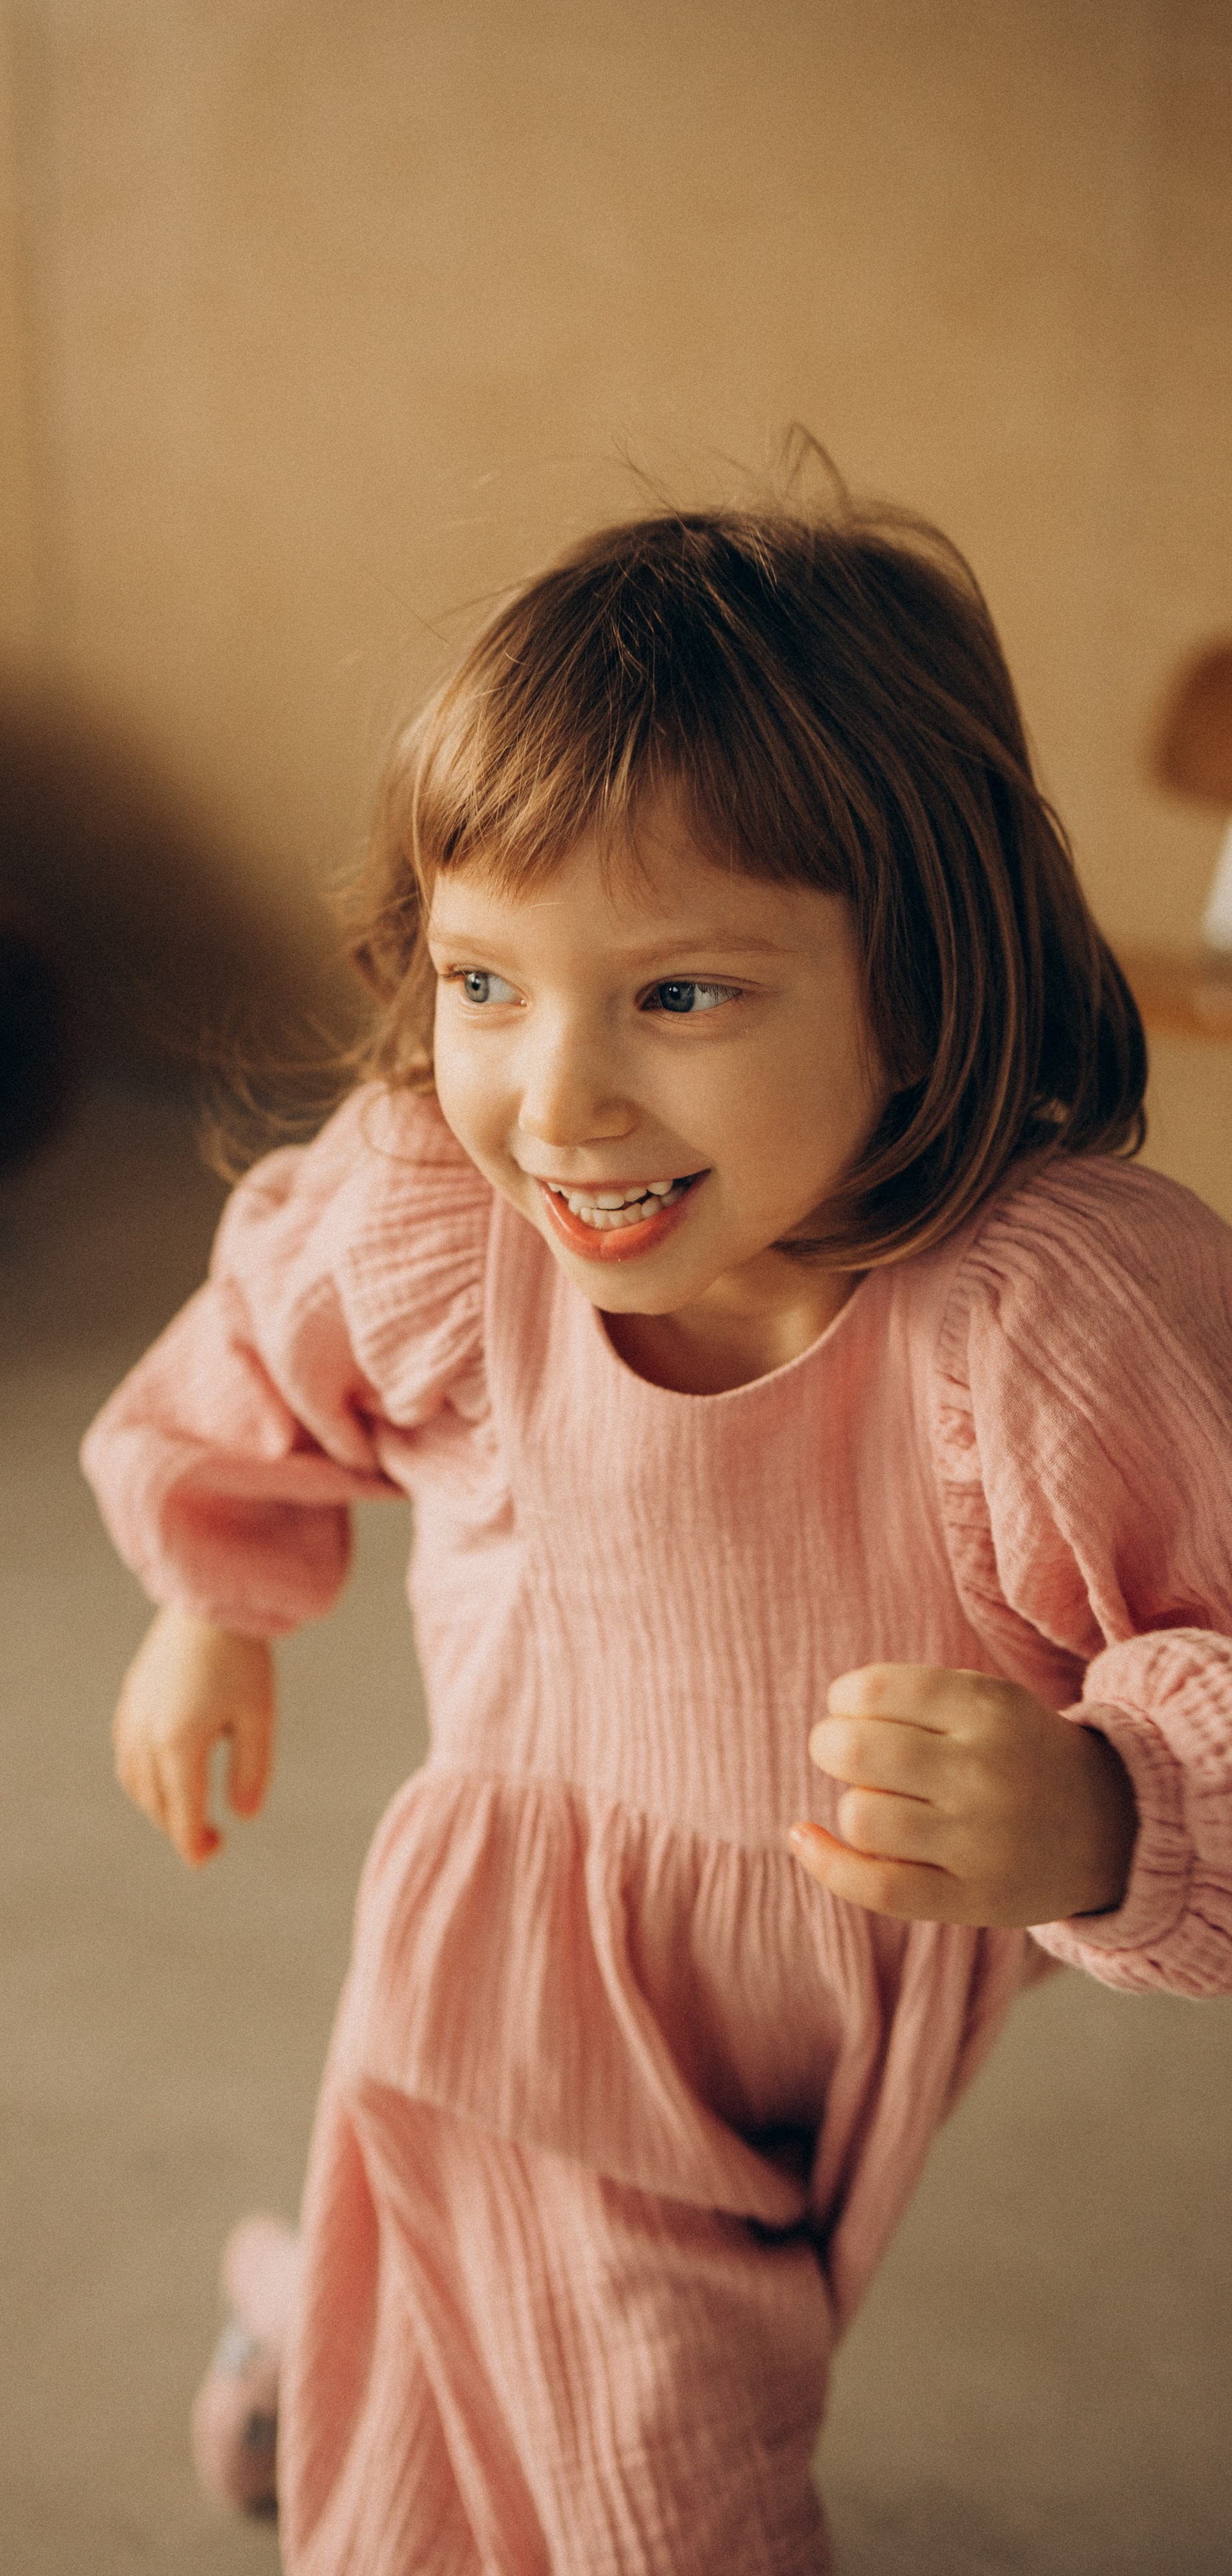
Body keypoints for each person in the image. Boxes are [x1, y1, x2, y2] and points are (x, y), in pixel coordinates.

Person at [82, 493, 1232, 2575]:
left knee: (529, 2305)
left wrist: (1113, 1804)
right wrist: (209, 1596)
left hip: (839, 2001)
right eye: (484, 984)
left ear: (923, 976)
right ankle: (347, 2370)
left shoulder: (1044, 1321)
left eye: (684, 994)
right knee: (654, 2465)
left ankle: (301, 2329)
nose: (559, 1100)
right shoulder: (444, 1215)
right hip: (517, 1957)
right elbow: (258, 1349)